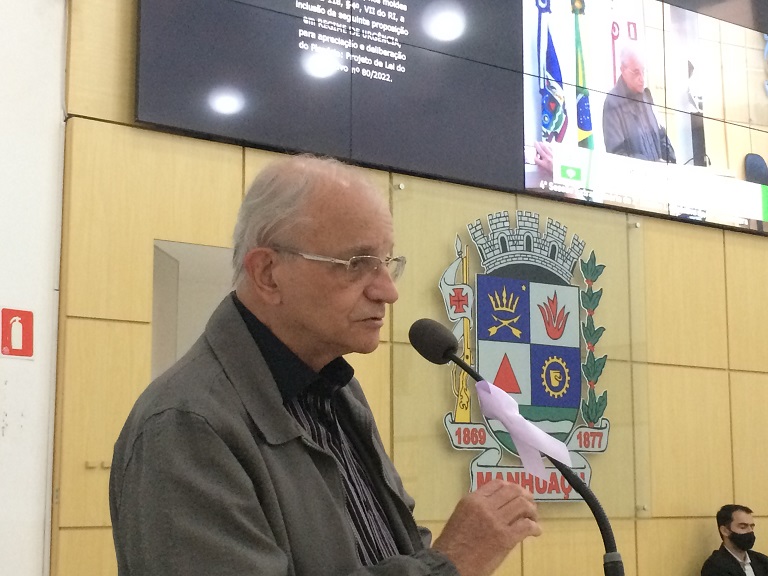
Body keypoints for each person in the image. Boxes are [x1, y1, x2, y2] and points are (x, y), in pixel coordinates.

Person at [109, 154, 541, 576]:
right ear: (268, 274)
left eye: (387, 262)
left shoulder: (334, 388)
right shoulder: (187, 426)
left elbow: (386, 547)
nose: (388, 292)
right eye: (357, 264)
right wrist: (452, 563)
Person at [602, 45, 676, 163]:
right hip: (635, 174)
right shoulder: (612, 102)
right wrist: (651, 165)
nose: (642, 78)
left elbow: (662, 136)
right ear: (623, 70)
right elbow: (617, 154)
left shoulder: (647, 97)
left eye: (643, 71)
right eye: (636, 72)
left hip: (658, 173)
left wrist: (669, 160)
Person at [701, 504, 768, 576]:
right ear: (725, 531)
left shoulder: (762, 561)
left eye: (751, 527)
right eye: (743, 527)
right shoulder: (714, 567)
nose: (750, 531)